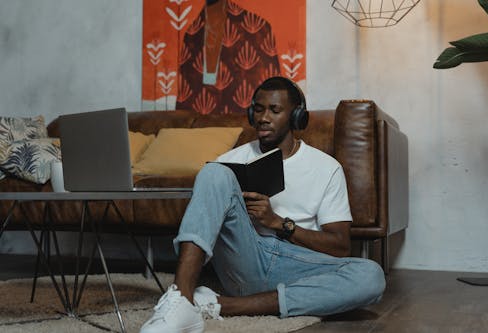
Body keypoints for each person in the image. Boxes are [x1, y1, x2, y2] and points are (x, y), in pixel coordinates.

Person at [140, 76, 386, 333]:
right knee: (213, 172)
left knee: (370, 276)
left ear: (297, 117)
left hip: (298, 265)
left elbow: (340, 246)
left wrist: (278, 223)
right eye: (258, 109)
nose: (263, 118)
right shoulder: (231, 160)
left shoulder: (326, 168)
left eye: (275, 110)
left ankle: (224, 306)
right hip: (246, 257)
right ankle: (181, 300)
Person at [176, 0, 281, 115]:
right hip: (202, 123)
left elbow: (272, 89)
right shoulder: (192, 34)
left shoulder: (259, 27)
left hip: (244, 118)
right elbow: (186, 97)